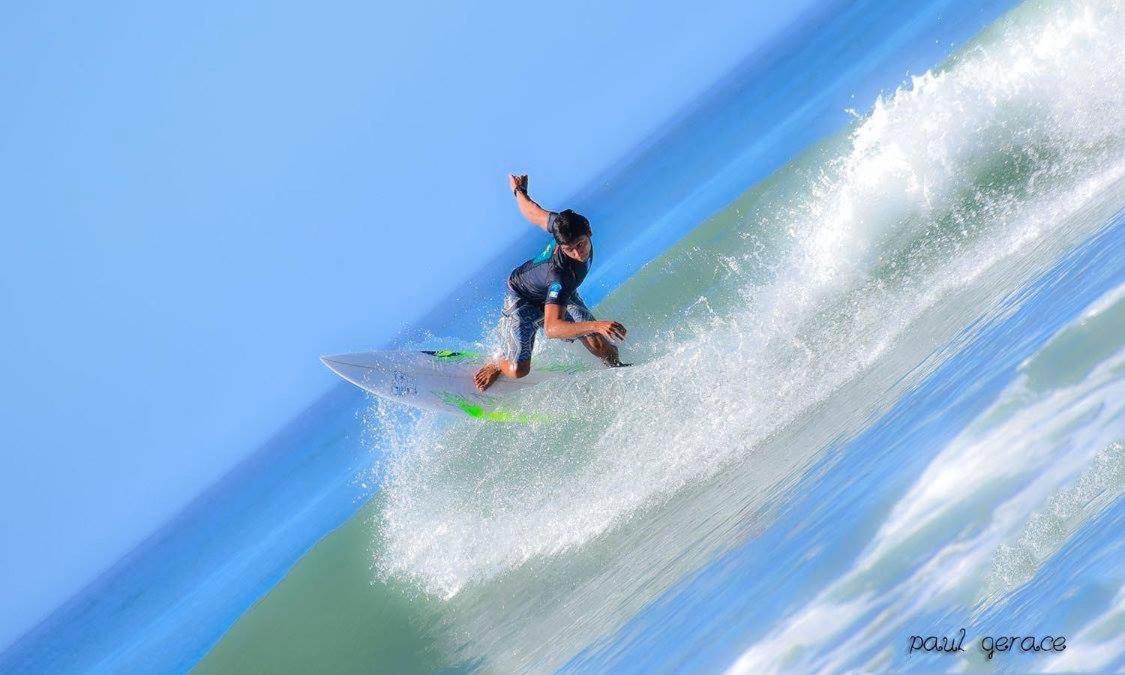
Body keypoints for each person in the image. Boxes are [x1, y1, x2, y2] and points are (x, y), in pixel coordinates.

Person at [474, 174, 627, 392]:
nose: (577, 253)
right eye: (569, 249)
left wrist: (519, 191)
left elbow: (533, 212)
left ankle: (621, 373)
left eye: (580, 245)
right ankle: (498, 362)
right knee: (518, 370)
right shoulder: (560, 274)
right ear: (560, 246)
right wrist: (597, 325)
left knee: (600, 344)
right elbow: (552, 328)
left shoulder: (563, 224)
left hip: (560, 293)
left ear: (589, 231)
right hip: (524, 298)